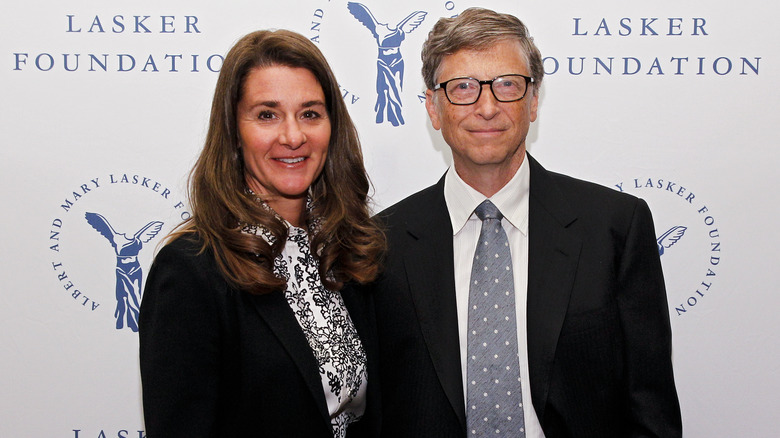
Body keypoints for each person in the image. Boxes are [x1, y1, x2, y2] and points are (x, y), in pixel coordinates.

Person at [372, 8, 682, 437]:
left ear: (533, 101)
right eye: (462, 87)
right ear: (433, 107)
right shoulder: (379, 244)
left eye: (506, 86)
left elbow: (651, 411)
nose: (486, 107)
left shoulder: (615, 227)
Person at [139, 29, 385, 438]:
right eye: (267, 115)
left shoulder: (346, 248)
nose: (293, 136)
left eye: (310, 113)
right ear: (234, 131)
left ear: (331, 126)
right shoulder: (190, 272)